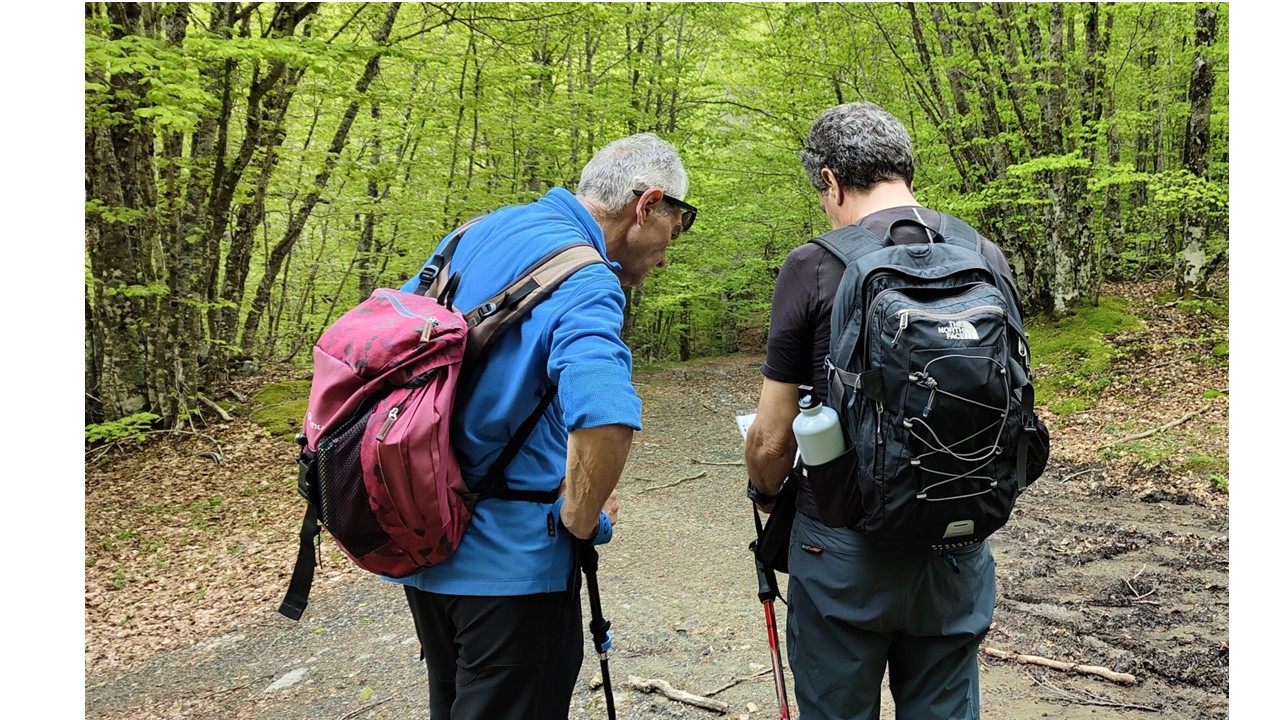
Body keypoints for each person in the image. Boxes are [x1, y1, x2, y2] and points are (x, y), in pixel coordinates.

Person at [389, 132, 696, 720]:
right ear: (647, 204)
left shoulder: (472, 233)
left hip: (425, 543)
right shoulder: (587, 278)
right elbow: (606, 414)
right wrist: (581, 518)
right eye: (672, 232)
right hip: (514, 570)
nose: (665, 255)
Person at [744, 102, 1024, 719]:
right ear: (904, 167)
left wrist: (766, 497)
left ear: (831, 181)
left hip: (842, 549)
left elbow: (770, 439)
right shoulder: (984, 256)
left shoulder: (813, 265)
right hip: (954, 545)